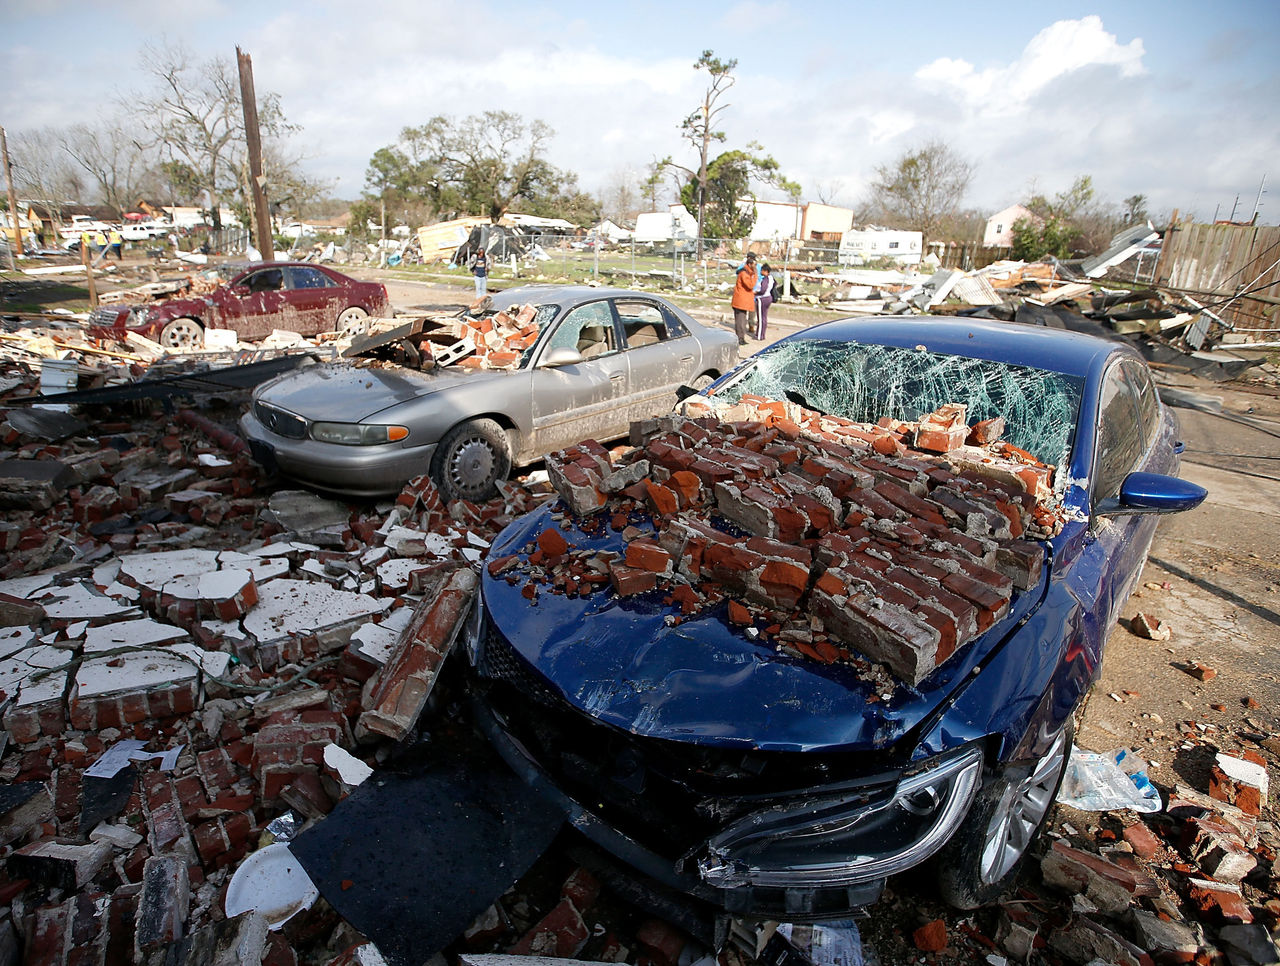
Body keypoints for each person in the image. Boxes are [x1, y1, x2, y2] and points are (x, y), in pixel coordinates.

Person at [731, 252, 758, 345]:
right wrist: (755, 275)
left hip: (743, 301)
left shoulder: (747, 273)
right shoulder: (744, 273)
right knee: (740, 321)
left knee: (743, 321)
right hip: (740, 301)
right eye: (754, 265)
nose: (755, 267)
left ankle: (741, 337)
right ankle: (739, 338)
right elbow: (750, 285)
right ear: (749, 264)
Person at [755, 262, 776, 340]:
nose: (760, 272)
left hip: (762, 298)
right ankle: (761, 333)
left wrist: (756, 292)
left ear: (765, 271)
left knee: (760, 318)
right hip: (768, 297)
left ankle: (760, 335)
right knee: (764, 317)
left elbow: (763, 289)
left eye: (761, 270)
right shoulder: (771, 278)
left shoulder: (765, 279)